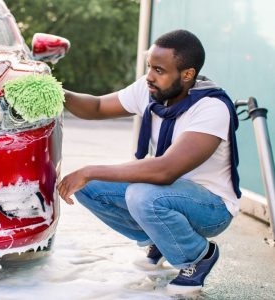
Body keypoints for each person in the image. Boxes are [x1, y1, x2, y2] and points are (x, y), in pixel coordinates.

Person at [57, 29, 241, 294]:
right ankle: (162, 240)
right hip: (168, 193)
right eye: (149, 67)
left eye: (159, 70)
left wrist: (89, 169)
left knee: (142, 195)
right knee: (89, 185)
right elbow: (96, 107)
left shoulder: (211, 108)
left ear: (187, 74)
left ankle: (199, 257)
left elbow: (166, 170)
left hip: (211, 207)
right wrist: (53, 91)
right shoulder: (151, 89)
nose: (150, 77)